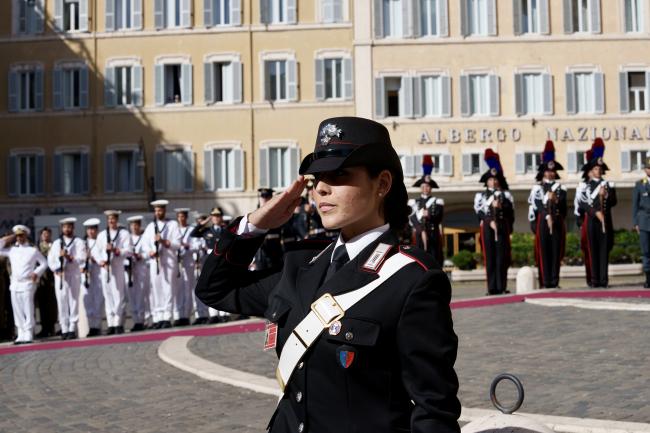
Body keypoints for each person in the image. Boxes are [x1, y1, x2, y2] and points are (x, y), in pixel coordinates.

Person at [196, 116, 461, 433]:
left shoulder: (410, 278)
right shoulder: (301, 264)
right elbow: (215, 290)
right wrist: (256, 224)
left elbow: (435, 410)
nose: (320, 188)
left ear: (382, 184)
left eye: (339, 175)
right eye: (317, 178)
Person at [574, 138, 618, 288]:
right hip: (593, 222)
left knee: (604, 250)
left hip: (606, 221)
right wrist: (595, 213)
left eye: (600, 169)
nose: (598, 172)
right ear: (591, 171)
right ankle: (595, 280)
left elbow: (614, 202)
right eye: (595, 170)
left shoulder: (608, 185)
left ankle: (603, 280)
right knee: (593, 250)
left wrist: (605, 195)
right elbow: (583, 203)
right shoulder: (585, 186)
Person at [474, 149, 515, 295]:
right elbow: (479, 212)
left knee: (501, 257)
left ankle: (502, 286)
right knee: (490, 257)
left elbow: (511, 213)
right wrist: (489, 221)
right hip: (487, 227)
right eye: (491, 180)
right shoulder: (480, 196)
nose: (493, 181)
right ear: (487, 182)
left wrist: (502, 206)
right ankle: (492, 287)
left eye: (495, 179)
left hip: (502, 226)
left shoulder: (506, 195)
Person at [527, 141, 568, 289]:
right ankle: (545, 282)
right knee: (543, 252)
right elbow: (537, 204)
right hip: (543, 223)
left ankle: (554, 281)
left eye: (552, 171)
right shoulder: (537, 188)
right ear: (543, 172)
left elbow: (563, 206)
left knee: (556, 252)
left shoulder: (561, 188)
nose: (550, 173)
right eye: (548, 171)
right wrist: (546, 216)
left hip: (556, 221)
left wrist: (555, 199)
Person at [0, 226, 48, 344]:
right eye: (17, 235)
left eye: (21, 235)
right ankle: (20, 332)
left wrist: (36, 272)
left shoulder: (33, 250)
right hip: (15, 283)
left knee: (28, 308)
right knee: (17, 309)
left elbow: (44, 263)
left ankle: (28, 332)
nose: (19, 238)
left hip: (27, 283)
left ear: (26, 235)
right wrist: (9, 237)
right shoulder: (12, 250)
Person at [143, 200, 181, 329]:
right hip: (156, 262)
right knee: (156, 289)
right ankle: (158, 316)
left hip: (169, 261)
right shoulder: (150, 227)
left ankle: (167, 316)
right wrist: (150, 252)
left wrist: (164, 242)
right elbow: (145, 245)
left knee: (168, 289)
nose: (158, 212)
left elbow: (177, 244)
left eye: (160, 210)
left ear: (164, 210)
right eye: (156, 210)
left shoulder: (172, 225)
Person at [92, 210, 131, 335]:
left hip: (118, 266)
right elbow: (95, 251)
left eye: (113, 219)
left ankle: (118, 322)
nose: (111, 221)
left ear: (117, 219)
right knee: (108, 296)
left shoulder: (123, 233)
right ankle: (110, 323)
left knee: (118, 295)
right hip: (105, 268)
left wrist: (116, 250)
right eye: (109, 219)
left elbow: (129, 250)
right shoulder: (102, 235)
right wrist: (100, 261)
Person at [47, 217, 86, 340]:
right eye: (65, 227)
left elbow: (82, 258)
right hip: (61, 275)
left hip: (73, 273)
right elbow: (51, 260)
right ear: (62, 228)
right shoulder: (57, 243)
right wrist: (57, 268)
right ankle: (64, 328)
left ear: (73, 228)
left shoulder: (78, 242)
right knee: (62, 301)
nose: (67, 229)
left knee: (73, 301)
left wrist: (69, 257)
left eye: (69, 227)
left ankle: (72, 328)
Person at [191, 207, 228, 323]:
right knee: (211, 287)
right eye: (214, 216)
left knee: (223, 286)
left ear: (221, 217)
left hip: (222, 260)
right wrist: (203, 222)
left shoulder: (226, 230)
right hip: (209, 261)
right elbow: (194, 233)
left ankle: (224, 313)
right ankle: (213, 314)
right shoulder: (206, 231)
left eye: (218, 216)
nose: (216, 218)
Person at [409, 155, 445, 264]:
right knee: (420, 262)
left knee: (434, 260)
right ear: (420, 187)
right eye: (423, 186)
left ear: (431, 188)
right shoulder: (413, 202)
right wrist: (420, 227)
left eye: (428, 186)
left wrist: (428, 214)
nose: (425, 188)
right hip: (419, 235)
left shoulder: (437, 201)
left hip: (433, 235)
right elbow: (411, 220)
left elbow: (439, 217)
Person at [174, 208, 198, 326]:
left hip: (188, 261)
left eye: (183, 216)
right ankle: (179, 315)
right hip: (177, 262)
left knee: (188, 289)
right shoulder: (175, 230)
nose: (181, 219)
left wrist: (186, 246)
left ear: (186, 217)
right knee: (178, 289)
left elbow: (196, 246)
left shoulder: (191, 230)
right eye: (179, 217)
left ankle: (186, 315)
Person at [81, 218, 104, 336]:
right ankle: (91, 326)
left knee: (98, 300)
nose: (91, 232)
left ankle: (97, 325)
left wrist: (95, 259)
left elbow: (103, 257)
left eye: (93, 229)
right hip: (86, 276)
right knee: (88, 301)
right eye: (89, 229)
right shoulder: (83, 243)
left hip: (98, 274)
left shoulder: (100, 242)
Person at [126, 216, 149, 331]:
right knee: (131, 295)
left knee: (140, 295)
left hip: (141, 268)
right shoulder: (127, 238)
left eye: (136, 225)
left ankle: (141, 319)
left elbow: (147, 252)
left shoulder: (143, 238)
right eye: (132, 225)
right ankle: (135, 320)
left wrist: (140, 256)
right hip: (130, 270)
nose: (134, 227)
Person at [35, 227, 58, 338]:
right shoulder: (37, 248)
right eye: (44, 234)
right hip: (42, 280)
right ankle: (44, 328)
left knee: (52, 304)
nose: (46, 236)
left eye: (48, 234)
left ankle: (52, 327)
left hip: (52, 279)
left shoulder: (55, 246)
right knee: (42, 304)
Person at [633, 156, 650, 288]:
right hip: (644, 221)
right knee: (646, 251)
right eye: (648, 168)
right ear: (645, 169)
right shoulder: (640, 184)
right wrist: (636, 223)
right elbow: (635, 205)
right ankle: (648, 278)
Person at [191, 214, 210, 325]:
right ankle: (199, 314)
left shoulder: (208, 231)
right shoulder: (196, 233)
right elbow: (193, 234)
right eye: (199, 222)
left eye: (203, 221)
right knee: (196, 290)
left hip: (205, 264)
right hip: (196, 265)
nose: (201, 223)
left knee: (206, 289)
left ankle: (207, 313)